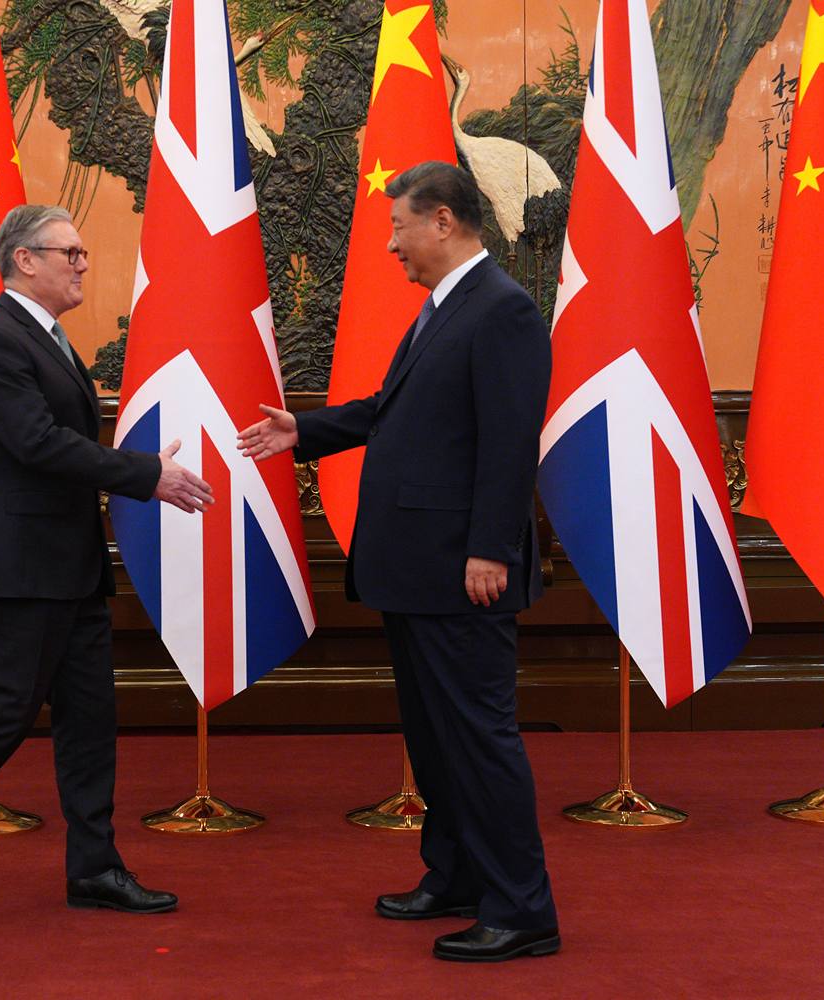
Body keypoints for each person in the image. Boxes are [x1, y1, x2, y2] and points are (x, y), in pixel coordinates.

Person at [238, 161, 559, 962]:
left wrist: (491, 547)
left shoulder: (503, 311)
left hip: (463, 570)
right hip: (420, 569)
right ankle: (452, 874)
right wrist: (302, 432)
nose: (391, 245)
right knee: (436, 736)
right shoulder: (447, 310)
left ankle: (522, 910)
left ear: (443, 221)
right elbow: (395, 411)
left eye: (398, 227)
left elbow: (510, 442)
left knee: (478, 737)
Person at [0, 204, 213, 917]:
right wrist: (145, 475)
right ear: (25, 259)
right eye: (72, 253)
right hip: (19, 566)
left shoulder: (46, 340)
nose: (83, 264)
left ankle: (94, 867)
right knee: (2, 713)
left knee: (90, 719)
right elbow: (37, 444)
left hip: (69, 565)